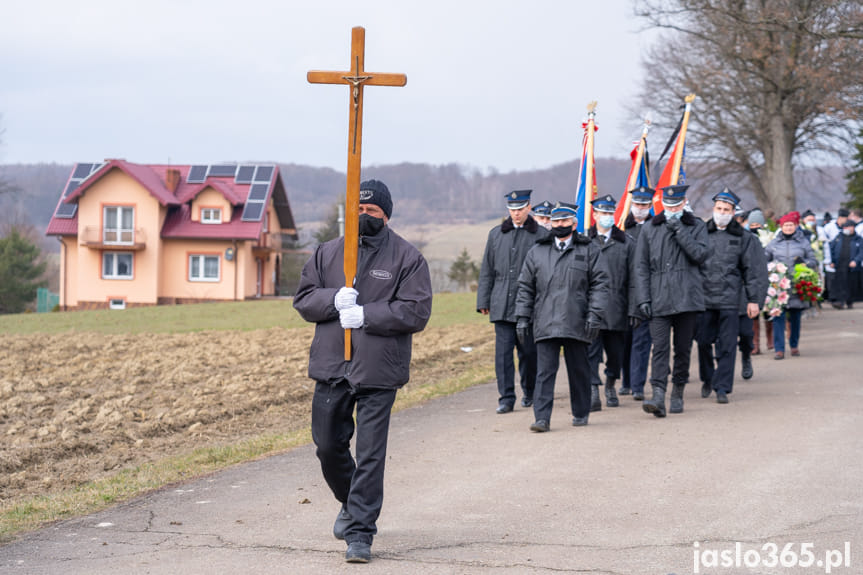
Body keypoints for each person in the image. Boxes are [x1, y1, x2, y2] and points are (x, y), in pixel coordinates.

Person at [293, 179, 432, 564]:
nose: (363, 216)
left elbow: (416, 310)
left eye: (371, 212)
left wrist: (367, 315)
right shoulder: (327, 253)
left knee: (370, 454)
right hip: (332, 365)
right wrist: (332, 300)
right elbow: (303, 300)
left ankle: (360, 533)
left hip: (378, 369)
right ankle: (351, 502)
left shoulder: (407, 258)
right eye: (358, 210)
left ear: (385, 215)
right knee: (327, 446)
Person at [515, 201, 609, 431]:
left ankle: (580, 412)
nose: (560, 225)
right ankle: (542, 418)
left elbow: (600, 285)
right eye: (556, 221)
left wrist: (594, 315)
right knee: (544, 373)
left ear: (574, 223)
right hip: (545, 321)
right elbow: (526, 286)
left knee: (578, 371)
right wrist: (522, 317)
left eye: (565, 221)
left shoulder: (588, 250)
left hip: (577, 320)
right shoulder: (537, 251)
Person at [634, 184, 709, 417]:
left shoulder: (696, 226)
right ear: (662, 204)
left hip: (687, 297)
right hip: (659, 297)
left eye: (676, 205)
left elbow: (700, 255)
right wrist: (643, 298)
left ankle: (677, 390)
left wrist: (680, 231)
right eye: (668, 205)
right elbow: (641, 266)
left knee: (683, 349)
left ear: (684, 202)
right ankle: (658, 395)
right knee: (659, 348)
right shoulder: (649, 228)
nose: (672, 209)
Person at [477, 189, 546, 414]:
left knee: (528, 353)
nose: (516, 214)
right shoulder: (496, 234)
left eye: (520, 209)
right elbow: (487, 269)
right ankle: (506, 398)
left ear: (528, 208)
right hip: (501, 304)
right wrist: (483, 300)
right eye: (512, 209)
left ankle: (530, 391)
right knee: (503, 355)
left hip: (529, 306)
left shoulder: (542, 235)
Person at [696, 189, 762, 404]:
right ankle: (708, 378)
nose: (721, 213)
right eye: (718, 209)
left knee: (727, 345)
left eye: (726, 210)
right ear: (712, 209)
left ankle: (722, 387)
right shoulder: (701, 233)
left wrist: (754, 299)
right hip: (703, 299)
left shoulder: (744, 237)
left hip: (730, 299)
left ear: (734, 212)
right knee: (704, 342)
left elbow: (753, 270)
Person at [587, 194, 636, 410]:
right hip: (591, 310)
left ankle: (610, 384)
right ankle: (593, 390)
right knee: (590, 353)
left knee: (615, 355)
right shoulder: (583, 242)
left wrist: (634, 308)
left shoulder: (626, 243)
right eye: (602, 213)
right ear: (594, 215)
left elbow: (634, 279)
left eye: (609, 213)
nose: (606, 217)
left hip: (617, 308)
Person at [764, 211, 817, 359]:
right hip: (778, 286)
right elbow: (764, 259)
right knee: (778, 317)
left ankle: (794, 345)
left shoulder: (803, 242)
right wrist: (772, 268)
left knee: (795, 317)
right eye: (785, 225)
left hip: (796, 285)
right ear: (781, 226)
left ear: (796, 225)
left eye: (791, 225)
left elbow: (813, 261)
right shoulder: (773, 243)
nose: (788, 228)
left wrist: (804, 263)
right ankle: (779, 349)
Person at [622, 185, 655, 400]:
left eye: (644, 204)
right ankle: (626, 381)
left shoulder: (655, 229)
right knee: (624, 343)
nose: (640, 208)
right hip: (624, 295)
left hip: (647, 293)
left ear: (651, 205)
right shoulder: (623, 230)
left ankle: (638, 385)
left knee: (642, 343)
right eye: (637, 204)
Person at [827, 219, 863, 309]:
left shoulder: (858, 239)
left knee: (851, 284)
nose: (847, 229)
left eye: (849, 227)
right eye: (845, 227)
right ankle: (840, 302)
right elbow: (831, 248)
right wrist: (832, 261)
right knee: (840, 284)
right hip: (840, 264)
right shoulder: (839, 237)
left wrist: (856, 260)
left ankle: (849, 301)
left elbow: (861, 252)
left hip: (852, 266)